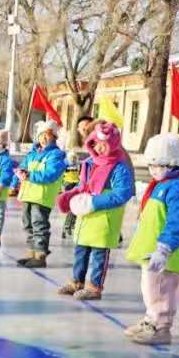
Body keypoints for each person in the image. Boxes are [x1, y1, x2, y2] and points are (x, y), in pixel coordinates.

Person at [123, 134, 179, 346]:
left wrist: (164, 248)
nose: (153, 170)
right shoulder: (162, 185)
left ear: (174, 163)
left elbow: (178, 221)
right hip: (154, 249)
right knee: (151, 289)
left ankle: (161, 326)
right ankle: (152, 319)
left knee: (161, 289)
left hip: (165, 251)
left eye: (159, 165)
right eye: (150, 165)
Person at [57, 121, 134, 301]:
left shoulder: (119, 166)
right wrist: (70, 196)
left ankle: (95, 286)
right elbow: (83, 185)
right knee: (80, 249)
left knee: (100, 253)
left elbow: (122, 193)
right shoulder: (89, 162)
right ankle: (77, 280)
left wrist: (93, 201)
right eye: (96, 144)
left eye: (104, 145)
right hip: (86, 216)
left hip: (104, 216)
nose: (99, 148)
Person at [15, 121, 67, 268]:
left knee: (39, 225)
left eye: (47, 135)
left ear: (54, 137)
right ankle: (31, 252)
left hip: (42, 197)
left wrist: (29, 175)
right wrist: (18, 176)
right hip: (28, 195)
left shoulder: (56, 155)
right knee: (28, 224)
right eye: (41, 135)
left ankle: (40, 255)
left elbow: (50, 175)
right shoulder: (32, 153)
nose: (43, 138)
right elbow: (22, 167)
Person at [60, 151, 81, 239]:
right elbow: (61, 176)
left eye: (74, 158)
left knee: (75, 208)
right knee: (71, 208)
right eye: (72, 158)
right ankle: (67, 226)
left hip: (76, 186)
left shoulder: (78, 165)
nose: (73, 159)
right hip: (67, 186)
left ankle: (70, 225)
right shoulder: (65, 165)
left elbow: (80, 176)